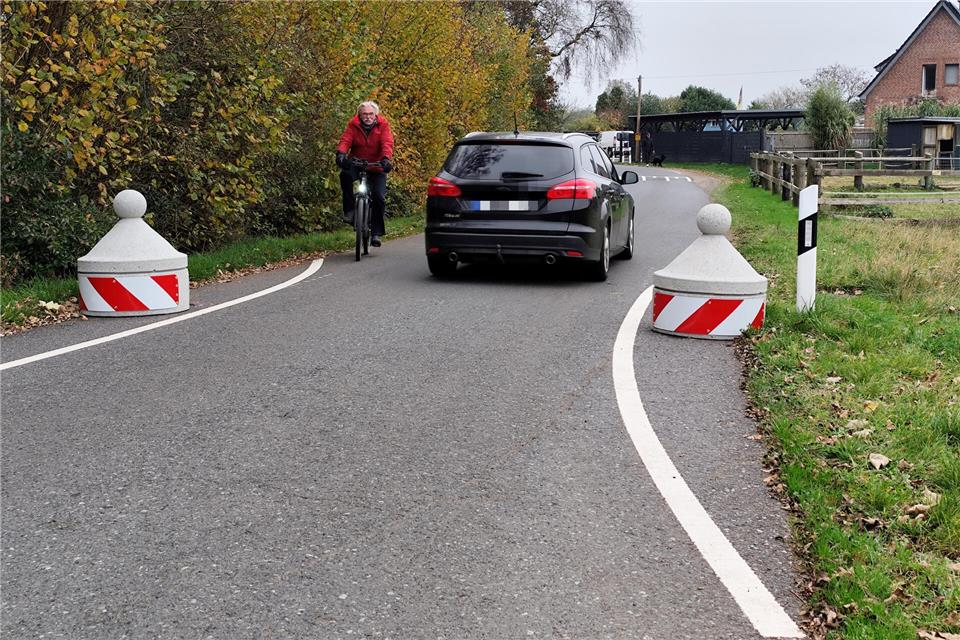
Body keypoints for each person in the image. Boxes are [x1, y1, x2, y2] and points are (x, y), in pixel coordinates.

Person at [336, 101, 394, 247]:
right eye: (364, 114)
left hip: (377, 165)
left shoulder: (383, 125)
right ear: (359, 115)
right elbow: (346, 140)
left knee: (379, 197)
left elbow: (387, 143)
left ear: (376, 115)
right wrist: (341, 154)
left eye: (370, 114)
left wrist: (386, 159)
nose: (367, 117)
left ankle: (376, 233)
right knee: (345, 175)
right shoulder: (353, 125)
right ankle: (349, 210)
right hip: (357, 163)